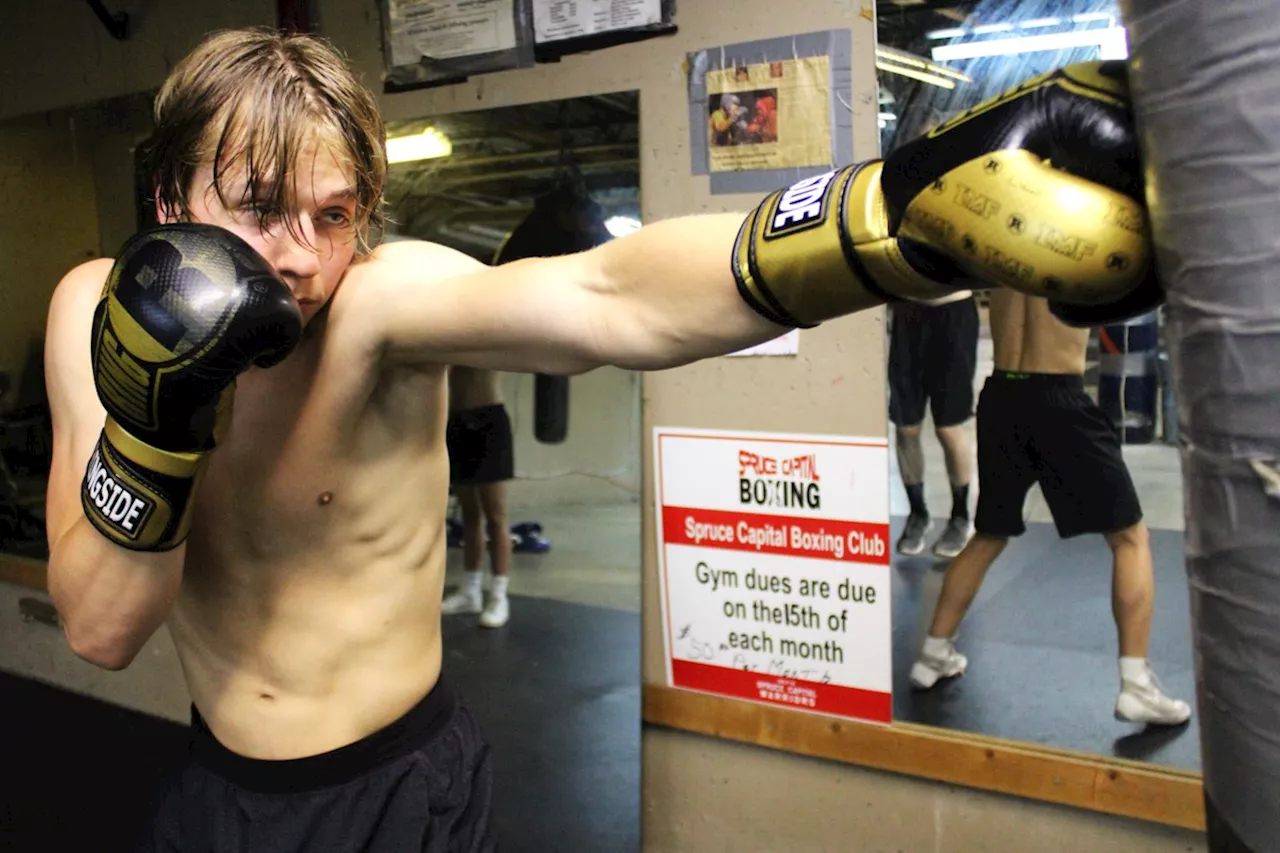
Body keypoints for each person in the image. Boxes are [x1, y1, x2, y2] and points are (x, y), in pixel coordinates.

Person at [44, 27, 1157, 850]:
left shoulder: (382, 303)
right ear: (165, 190)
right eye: (253, 202)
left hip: (401, 789)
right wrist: (156, 421)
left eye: (332, 215)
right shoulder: (91, 309)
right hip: (218, 790)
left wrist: (885, 218)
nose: (296, 256)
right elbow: (101, 627)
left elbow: (605, 295)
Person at [908, 290, 1191, 726]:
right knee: (1130, 538)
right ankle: (1137, 686)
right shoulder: (1077, 229)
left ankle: (932, 655)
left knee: (989, 534)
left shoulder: (998, 236)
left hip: (1002, 395)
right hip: (1059, 397)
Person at [888, 289, 979, 558]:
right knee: (906, 427)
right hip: (909, 312)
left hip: (954, 312)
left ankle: (961, 516)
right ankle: (918, 514)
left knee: (948, 427)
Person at [442, 365, 514, 628]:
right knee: (470, 514)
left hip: (488, 421)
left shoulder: (486, 330)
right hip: (456, 421)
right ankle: (470, 591)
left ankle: (498, 595)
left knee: (496, 515)